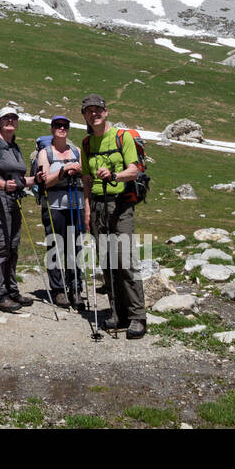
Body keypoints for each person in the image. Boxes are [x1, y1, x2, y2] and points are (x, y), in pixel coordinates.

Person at [78, 94, 147, 339]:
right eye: (89, 111)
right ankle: (118, 313)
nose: (93, 114)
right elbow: (86, 178)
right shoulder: (86, 144)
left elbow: (134, 169)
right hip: (97, 205)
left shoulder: (122, 137)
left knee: (125, 259)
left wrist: (114, 176)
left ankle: (138, 316)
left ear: (106, 112)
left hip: (120, 205)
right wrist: (87, 208)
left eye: (97, 110)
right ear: (84, 115)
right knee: (107, 262)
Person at [0, 103, 37, 311]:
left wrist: (35, 179)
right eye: (6, 118)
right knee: (0, 247)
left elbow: (19, 179)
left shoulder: (14, 147)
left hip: (13, 201)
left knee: (12, 247)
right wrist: (4, 185)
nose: (10, 120)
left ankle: (11, 290)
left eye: (14, 118)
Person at [36, 115, 84, 308]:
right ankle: (58, 290)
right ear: (52, 129)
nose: (62, 128)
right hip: (54, 206)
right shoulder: (45, 153)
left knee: (76, 247)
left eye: (65, 126)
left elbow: (85, 173)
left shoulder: (76, 150)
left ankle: (76, 288)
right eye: (58, 126)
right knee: (56, 247)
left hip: (77, 205)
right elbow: (45, 181)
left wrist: (77, 171)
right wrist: (64, 171)